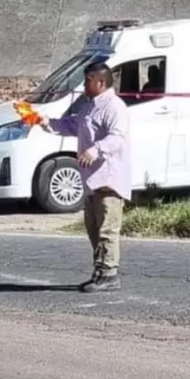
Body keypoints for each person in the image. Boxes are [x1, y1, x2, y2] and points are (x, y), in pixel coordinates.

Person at [39, 62, 131, 293]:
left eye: (88, 80)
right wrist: (46, 122)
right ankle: (100, 272)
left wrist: (95, 149)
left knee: (107, 230)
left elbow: (117, 137)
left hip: (108, 178)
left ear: (101, 82)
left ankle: (109, 274)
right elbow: (73, 125)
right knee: (93, 229)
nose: (84, 84)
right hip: (91, 179)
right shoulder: (89, 106)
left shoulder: (114, 106)